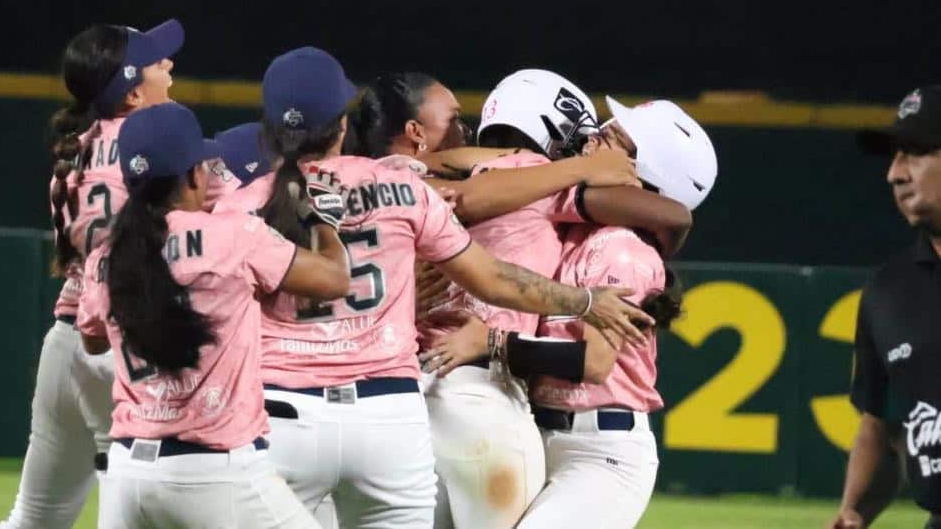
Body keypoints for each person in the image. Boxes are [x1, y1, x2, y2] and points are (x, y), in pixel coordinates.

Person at [216, 47, 654, 528]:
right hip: (410, 409)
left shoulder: (241, 208)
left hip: (289, 410)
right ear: (339, 124)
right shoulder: (404, 187)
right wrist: (584, 300)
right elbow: (492, 276)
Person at [424, 98, 717, 529]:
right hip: (544, 432)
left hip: (602, 451)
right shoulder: (571, 227)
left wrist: (492, 343)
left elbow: (594, 364)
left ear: (646, 174)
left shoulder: (624, 250)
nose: (594, 136)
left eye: (613, 138)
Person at [78, 102, 351, 528]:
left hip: (129, 475)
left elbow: (93, 339)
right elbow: (335, 279)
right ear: (192, 175)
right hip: (214, 471)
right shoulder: (232, 235)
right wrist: (323, 222)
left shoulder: (107, 256)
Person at [0, 19, 183, 529]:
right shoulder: (158, 147)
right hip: (126, 343)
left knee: (34, 517)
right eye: (156, 62)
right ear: (130, 95)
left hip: (68, 339)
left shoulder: (73, 150)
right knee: (138, 512)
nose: (168, 66)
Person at [829, 85, 941, 529]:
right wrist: (854, 511)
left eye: (915, 152)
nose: (894, 173)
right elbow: (882, 425)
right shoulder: (888, 291)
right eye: (894, 156)